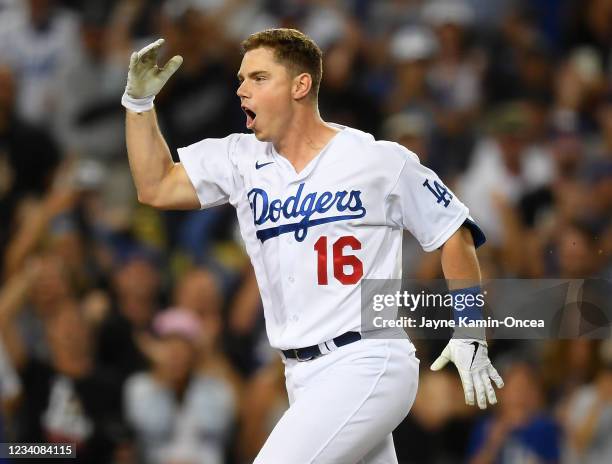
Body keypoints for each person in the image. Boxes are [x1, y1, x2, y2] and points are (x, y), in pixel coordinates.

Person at [122, 28, 504, 463]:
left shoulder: (377, 160)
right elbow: (154, 186)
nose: (241, 88)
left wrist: (471, 330)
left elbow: (454, 231)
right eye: (241, 78)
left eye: (259, 78)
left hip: (367, 358)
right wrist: (138, 105)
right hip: (300, 374)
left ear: (300, 86)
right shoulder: (240, 158)